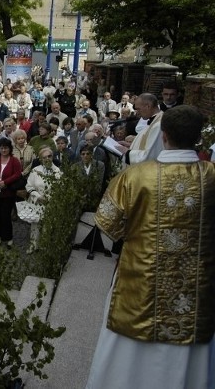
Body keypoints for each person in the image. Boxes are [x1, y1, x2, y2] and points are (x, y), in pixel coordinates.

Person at [86, 106, 215, 389]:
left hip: (139, 285)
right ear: (198, 139)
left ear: (163, 135)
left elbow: (108, 224)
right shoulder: (211, 177)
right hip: (194, 292)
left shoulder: (135, 176)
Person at [23, 145, 61, 253]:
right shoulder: (35, 170)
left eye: (49, 156)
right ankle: (33, 244)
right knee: (35, 224)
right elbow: (29, 186)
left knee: (48, 225)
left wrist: (51, 198)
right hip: (37, 201)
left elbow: (60, 187)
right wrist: (38, 196)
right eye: (44, 157)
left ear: (52, 157)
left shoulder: (57, 171)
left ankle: (45, 245)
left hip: (51, 202)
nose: (47, 159)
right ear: (40, 159)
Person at [0, 138, 22, 247]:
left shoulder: (14, 160)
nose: (3, 150)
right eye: (1, 148)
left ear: (9, 148)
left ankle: (8, 237)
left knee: (5, 216)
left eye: (6, 148)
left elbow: (17, 174)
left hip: (7, 193)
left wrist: (5, 182)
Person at [115, 93, 164, 165]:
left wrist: (127, 152)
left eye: (138, 109)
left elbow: (150, 156)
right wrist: (132, 145)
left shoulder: (158, 125)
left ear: (148, 106)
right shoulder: (154, 121)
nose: (137, 112)